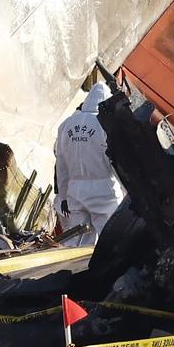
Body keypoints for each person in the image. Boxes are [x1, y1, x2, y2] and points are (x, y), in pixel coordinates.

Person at [54, 82, 124, 246]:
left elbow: (61, 165)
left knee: (77, 243)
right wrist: (129, 191)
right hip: (104, 194)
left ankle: (74, 270)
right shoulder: (105, 125)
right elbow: (116, 162)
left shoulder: (67, 125)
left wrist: (63, 196)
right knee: (111, 241)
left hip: (75, 193)